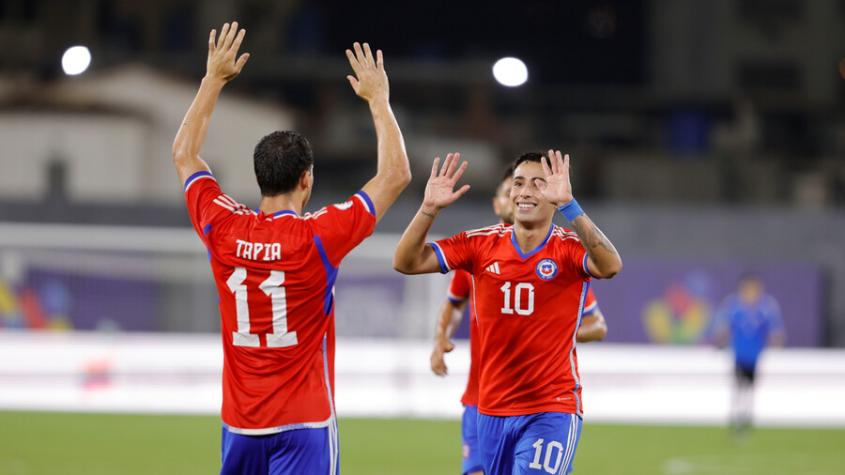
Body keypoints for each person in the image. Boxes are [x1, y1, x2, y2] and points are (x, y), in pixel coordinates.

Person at [172, 22, 410, 474]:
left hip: (240, 425)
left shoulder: (222, 225)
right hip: (305, 424)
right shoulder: (318, 237)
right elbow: (396, 174)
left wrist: (213, 79)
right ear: (307, 180)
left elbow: (185, 153)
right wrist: (378, 100)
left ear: (260, 177)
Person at [396, 151, 621, 474]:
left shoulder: (569, 250)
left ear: (553, 194)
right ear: (509, 193)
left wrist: (571, 205)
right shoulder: (479, 245)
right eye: (518, 183)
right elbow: (405, 262)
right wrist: (428, 210)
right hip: (491, 410)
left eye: (538, 184)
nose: (526, 191)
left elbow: (611, 266)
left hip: (551, 408)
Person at [715, 273, 785, 436]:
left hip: (755, 355)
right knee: (739, 386)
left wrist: (776, 341)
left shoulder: (766, 307)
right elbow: (724, 327)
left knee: (750, 388)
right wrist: (721, 341)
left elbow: (775, 330)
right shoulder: (734, 306)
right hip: (739, 353)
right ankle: (736, 417)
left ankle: (746, 417)